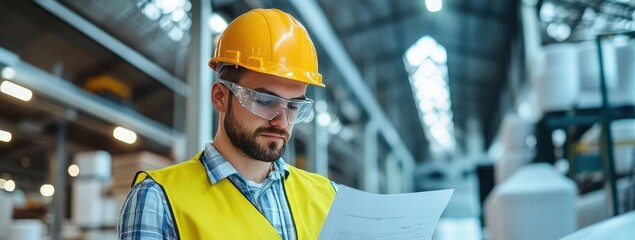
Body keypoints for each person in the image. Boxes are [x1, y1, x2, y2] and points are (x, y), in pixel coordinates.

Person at [117, 8, 338, 240]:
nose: (281, 121)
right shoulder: (158, 200)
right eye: (264, 101)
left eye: (293, 106)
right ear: (220, 97)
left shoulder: (330, 198)